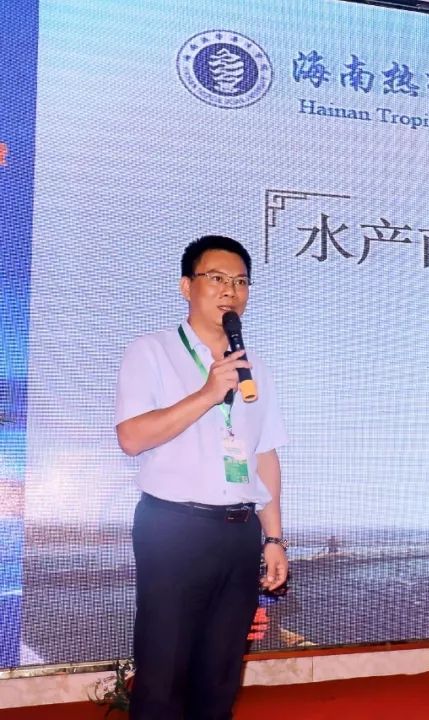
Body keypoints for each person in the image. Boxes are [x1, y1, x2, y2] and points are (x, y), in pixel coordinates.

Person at [115, 235, 288, 719]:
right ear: (186, 286)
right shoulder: (151, 351)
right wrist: (209, 393)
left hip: (239, 531)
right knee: (164, 672)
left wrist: (274, 538)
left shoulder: (255, 369)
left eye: (241, 281)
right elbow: (131, 437)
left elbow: (264, 454)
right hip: (173, 527)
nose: (230, 290)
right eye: (217, 278)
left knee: (220, 675)